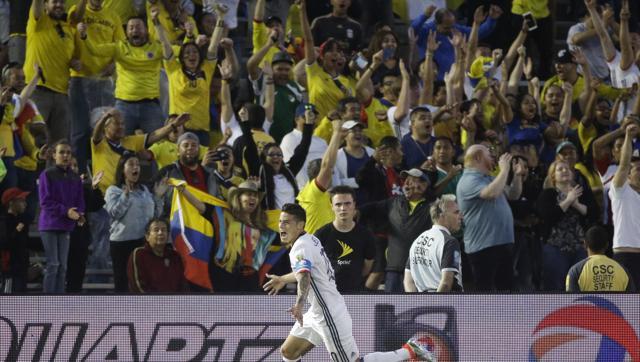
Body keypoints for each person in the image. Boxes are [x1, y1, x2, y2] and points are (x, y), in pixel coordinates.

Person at [263, 203, 436, 362]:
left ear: (300, 225)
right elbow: (306, 273)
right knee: (289, 352)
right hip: (317, 313)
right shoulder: (310, 240)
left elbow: (305, 277)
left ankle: (412, 350)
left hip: (328, 315)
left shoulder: (300, 247)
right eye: (280, 222)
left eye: (286, 222)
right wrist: (282, 279)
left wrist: (299, 304)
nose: (281, 226)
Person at [78, 14, 164, 134]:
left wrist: (190, 38)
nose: (135, 30)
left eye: (138, 27)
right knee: (119, 144)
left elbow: (172, 52)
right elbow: (95, 50)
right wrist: (84, 36)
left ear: (146, 30)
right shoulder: (119, 47)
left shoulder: (156, 48)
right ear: (126, 32)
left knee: (158, 145)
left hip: (150, 105)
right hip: (124, 105)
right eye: (131, 27)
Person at [154, 4, 225, 145]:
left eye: (194, 52)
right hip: (180, 130)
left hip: (203, 130)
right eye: (187, 53)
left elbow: (214, 45)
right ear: (181, 58)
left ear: (199, 56)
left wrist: (221, 18)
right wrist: (156, 22)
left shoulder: (206, 69)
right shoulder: (173, 69)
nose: (191, 55)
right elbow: (165, 44)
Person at [456, 145, 525, 291]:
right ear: (478, 157)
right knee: (486, 294)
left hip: (501, 243)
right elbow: (491, 193)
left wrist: (517, 176)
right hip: (483, 247)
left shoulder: (489, 178)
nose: (493, 157)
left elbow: (513, 194)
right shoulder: (468, 179)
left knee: (506, 291)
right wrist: (505, 169)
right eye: (489, 154)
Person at [68, 0, 123, 173]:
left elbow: (122, 46)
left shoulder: (113, 16)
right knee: (80, 131)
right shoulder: (76, 12)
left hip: (104, 81)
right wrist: (71, 60)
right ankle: (79, 174)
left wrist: (114, 63)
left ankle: (104, 173)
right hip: (79, 78)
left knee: (103, 130)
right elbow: (66, 38)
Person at [360, 168, 433, 292]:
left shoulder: (432, 207)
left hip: (420, 270)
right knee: (392, 308)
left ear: (424, 185)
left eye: (412, 180)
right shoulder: (394, 202)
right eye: (406, 180)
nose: (407, 183)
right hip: (394, 269)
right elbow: (370, 209)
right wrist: (356, 211)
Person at [104, 152, 167, 292]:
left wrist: (158, 197)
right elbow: (114, 213)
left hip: (143, 243)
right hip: (122, 243)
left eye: (137, 164)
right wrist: (125, 196)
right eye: (131, 164)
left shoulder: (144, 190)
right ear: (123, 169)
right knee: (123, 283)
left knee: (144, 282)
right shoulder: (113, 190)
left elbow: (155, 216)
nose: (135, 167)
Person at [536, 160, 598, 291]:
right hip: (555, 247)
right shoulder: (548, 194)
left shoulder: (582, 192)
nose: (564, 171)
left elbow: (594, 214)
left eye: (567, 169)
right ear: (553, 176)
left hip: (580, 247)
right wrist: (568, 200)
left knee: (580, 287)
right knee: (555, 287)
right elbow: (548, 217)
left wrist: (577, 205)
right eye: (560, 169)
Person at [24, 0, 78, 143]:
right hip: (38, 91)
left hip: (62, 94)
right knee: (35, 141)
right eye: (54, 2)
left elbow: (70, 56)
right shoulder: (38, 21)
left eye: (61, 2)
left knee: (60, 144)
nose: (59, 5)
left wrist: (74, 62)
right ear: (45, 4)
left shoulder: (69, 28)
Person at [38, 140, 85, 293]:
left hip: (66, 226)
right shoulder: (47, 174)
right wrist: (67, 212)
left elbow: (79, 200)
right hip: (49, 225)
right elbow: (45, 202)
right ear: (54, 155)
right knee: (53, 264)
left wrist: (79, 214)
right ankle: (49, 301)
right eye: (61, 152)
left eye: (68, 153)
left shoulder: (75, 177)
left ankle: (60, 302)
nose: (65, 155)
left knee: (63, 266)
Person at [213, 180, 277, 292]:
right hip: (225, 275)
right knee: (224, 309)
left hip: (250, 277)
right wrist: (184, 190)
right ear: (238, 198)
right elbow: (202, 208)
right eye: (248, 194)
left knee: (249, 309)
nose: (253, 198)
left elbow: (284, 238)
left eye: (255, 196)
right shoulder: (225, 216)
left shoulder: (263, 225)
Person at [314, 186, 375, 292]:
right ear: (331, 206)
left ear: (354, 205)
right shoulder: (321, 234)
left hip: (356, 294)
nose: (343, 208)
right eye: (338, 204)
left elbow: (367, 266)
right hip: (327, 293)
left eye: (347, 203)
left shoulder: (366, 235)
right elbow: (312, 265)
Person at [404, 194, 463, 293]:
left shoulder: (417, 240)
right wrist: (435, 306)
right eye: (456, 212)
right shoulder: (450, 242)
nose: (461, 216)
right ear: (442, 216)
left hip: (421, 304)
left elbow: (408, 281)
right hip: (447, 304)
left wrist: (416, 302)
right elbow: (446, 283)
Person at [609, 122, 640, 289]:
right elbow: (624, 163)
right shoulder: (620, 191)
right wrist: (628, 136)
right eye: (638, 169)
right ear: (627, 175)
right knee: (626, 307)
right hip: (625, 255)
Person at [566, 225, 635, 292]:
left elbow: (572, 300)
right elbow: (632, 301)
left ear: (585, 244)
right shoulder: (623, 271)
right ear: (607, 245)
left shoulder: (575, 271)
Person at [127, 218, 187, 293]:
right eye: (156, 230)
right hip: (147, 303)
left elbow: (182, 285)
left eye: (163, 230)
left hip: (175, 303)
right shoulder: (139, 254)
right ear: (147, 236)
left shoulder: (175, 256)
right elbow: (137, 287)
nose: (160, 233)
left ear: (168, 236)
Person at [280, 103, 327, 188]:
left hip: (324, 188)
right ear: (296, 119)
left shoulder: (322, 142)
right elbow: (293, 167)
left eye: (313, 117)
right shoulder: (289, 138)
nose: (310, 120)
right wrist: (306, 188)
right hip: (304, 190)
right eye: (305, 117)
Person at [1, 187, 30, 292]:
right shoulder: (4, 221)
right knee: (8, 297)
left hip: (21, 266)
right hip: (10, 268)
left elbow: (25, 243)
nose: (25, 204)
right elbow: (4, 244)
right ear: (11, 203)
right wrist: (16, 231)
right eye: (21, 201)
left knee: (22, 295)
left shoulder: (22, 220)